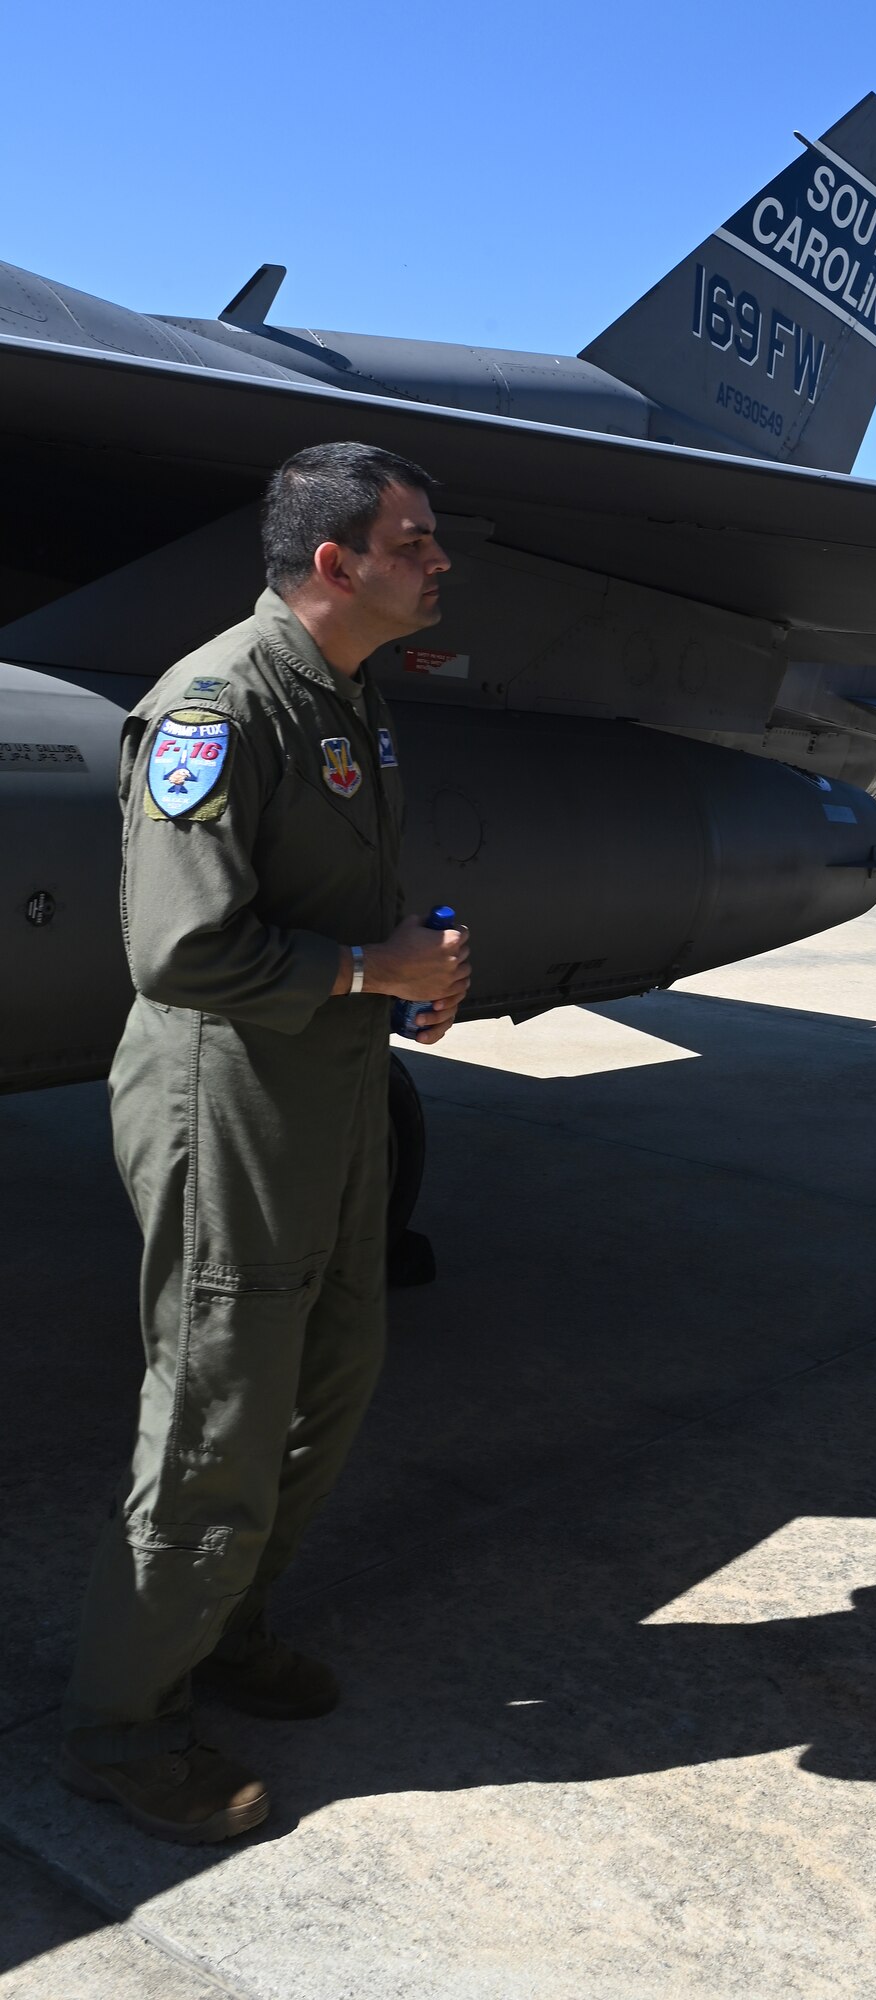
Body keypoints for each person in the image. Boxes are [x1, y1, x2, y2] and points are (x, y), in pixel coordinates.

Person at [60, 441, 471, 1844]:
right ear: (336, 560)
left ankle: (221, 1628)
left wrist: (408, 974)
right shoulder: (217, 705)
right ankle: (123, 1724)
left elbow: (341, 900)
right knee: (218, 1416)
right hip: (228, 1099)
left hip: (329, 1092)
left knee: (335, 1375)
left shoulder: (344, 696)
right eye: (415, 542)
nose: (439, 563)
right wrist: (370, 971)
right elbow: (181, 950)